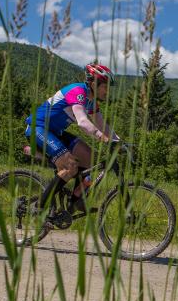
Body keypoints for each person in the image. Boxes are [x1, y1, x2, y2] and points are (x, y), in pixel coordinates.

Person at [25, 63, 119, 218]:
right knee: (71, 166)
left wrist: (119, 142)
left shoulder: (92, 101)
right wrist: (103, 138)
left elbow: (102, 124)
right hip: (39, 128)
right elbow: (82, 122)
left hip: (55, 132)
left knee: (91, 159)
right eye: (105, 86)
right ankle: (39, 206)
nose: (107, 91)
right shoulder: (78, 91)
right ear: (94, 84)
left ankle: (75, 201)